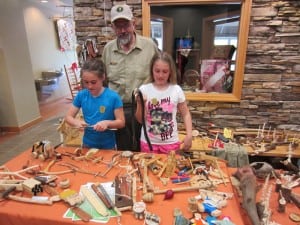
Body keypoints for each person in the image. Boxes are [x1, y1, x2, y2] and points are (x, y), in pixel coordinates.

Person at [102, 4, 158, 151]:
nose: (122, 31)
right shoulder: (108, 49)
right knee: (122, 152)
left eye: (126, 25)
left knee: (145, 150)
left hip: (143, 108)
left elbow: (161, 74)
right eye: (117, 26)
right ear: (113, 27)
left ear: (133, 23)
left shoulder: (149, 46)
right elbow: (103, 81)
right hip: (117, 110)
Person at [135, 52, 193, 154]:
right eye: (157, 71)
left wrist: (189, 134)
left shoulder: (176, 90)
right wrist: (140, 103)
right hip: (148, 143)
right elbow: (140, 120)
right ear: (151, 70)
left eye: (165, 71)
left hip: (171, 143)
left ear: (170, 72)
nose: (160, 75)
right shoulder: (144, 90)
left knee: (170, 169)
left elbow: (186, 113)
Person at [64, 59, 125, 149]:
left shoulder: (113, 97)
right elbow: (68, 117)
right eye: (86, 82)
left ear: (103, 77)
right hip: (87, 144)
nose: (89, 86)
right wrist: (76, 122)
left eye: (93, 82)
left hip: (108, 146)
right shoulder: (82, 95)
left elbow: (121, 122)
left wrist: (107, 123)